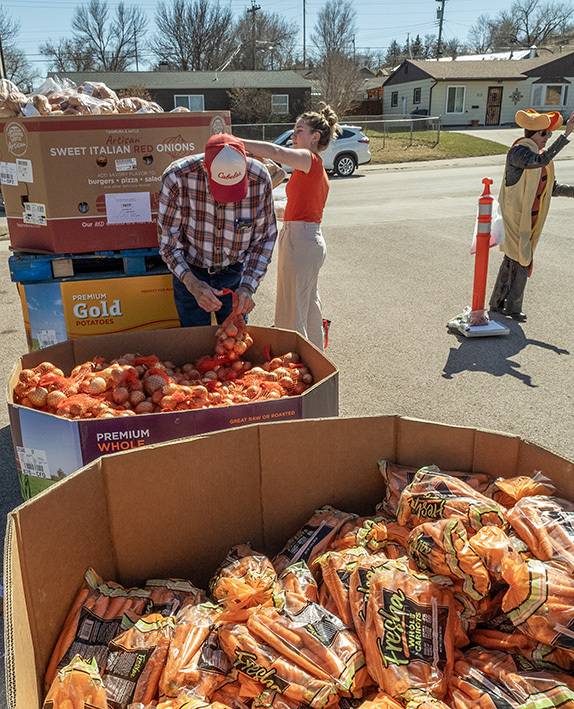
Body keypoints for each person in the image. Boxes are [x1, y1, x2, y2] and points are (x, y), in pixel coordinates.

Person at [240, 104, 340, 349]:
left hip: (301, 241)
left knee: (291, 308)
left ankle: (291, 364)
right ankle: (315, 357)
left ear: (315, 137)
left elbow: (276, 151)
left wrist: (236, 141)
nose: (293, 135)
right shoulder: (310, 168)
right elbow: (297, 210)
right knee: (308, 306)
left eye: (299, 130)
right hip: (307, 237)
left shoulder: (309, 159)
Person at [157, 132, 278, 326]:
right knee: (194, 344)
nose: (226, 200)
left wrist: (248, 287)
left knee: (234, 344)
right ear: (205, 167)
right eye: (221, 189)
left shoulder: (260, 179)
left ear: (245, 166)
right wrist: (192, 284)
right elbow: (169, 243)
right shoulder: (176, 178)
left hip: (234, 273)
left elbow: (264, 239)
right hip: (191, 271)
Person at [489, 109, 574, 321]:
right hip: (515, 216)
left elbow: (552, 188)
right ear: (533, 134)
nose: (547, 137)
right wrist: (565, 136)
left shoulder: (542, 158)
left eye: (550, 134)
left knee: (514, 259)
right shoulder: (519, 152)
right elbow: (538, 161)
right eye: (545, 134)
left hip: (531, 218)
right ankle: (512, 307)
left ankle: (498, 303)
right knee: (521, 259)